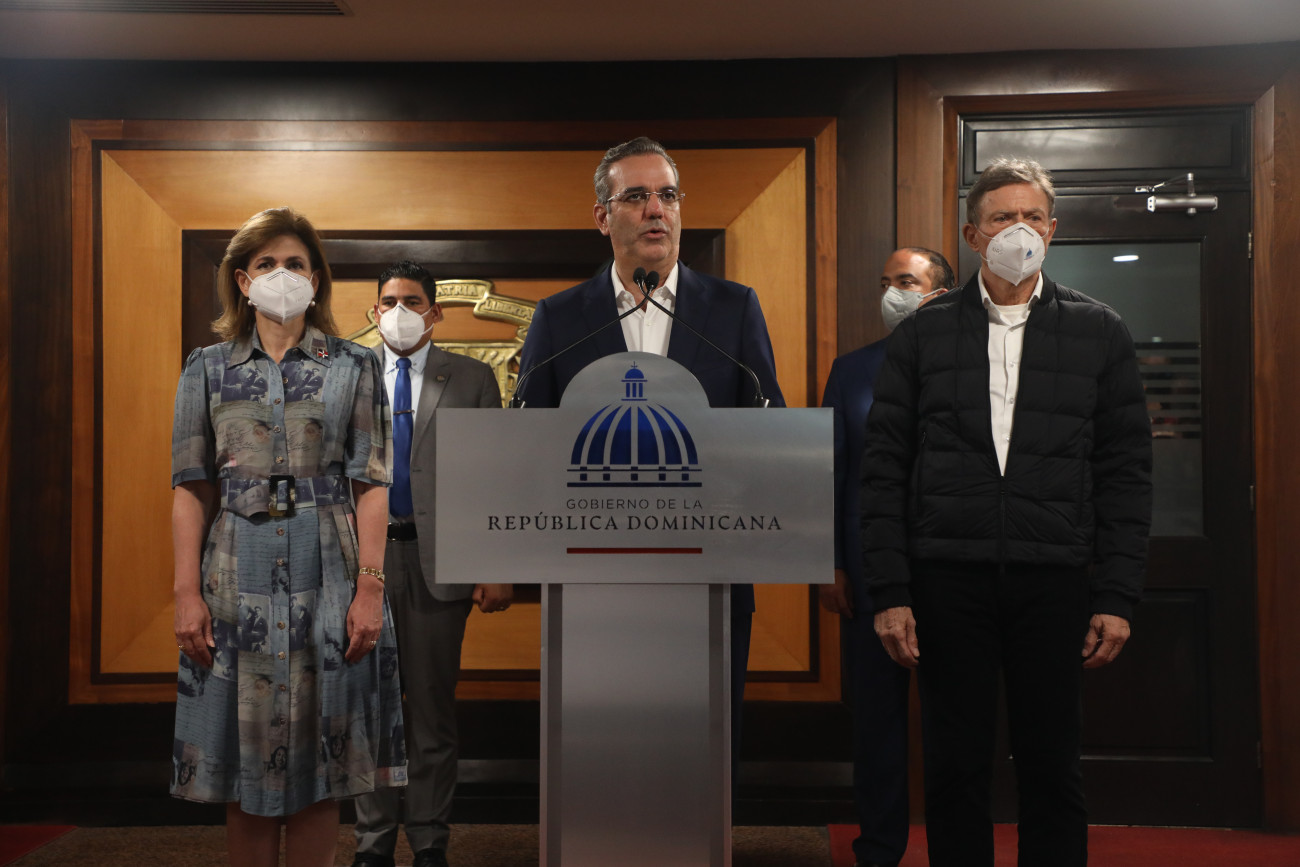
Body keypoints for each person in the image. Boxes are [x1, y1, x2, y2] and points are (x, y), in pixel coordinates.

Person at [861, 157, 1153, 866]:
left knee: (1053, 765)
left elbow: (1125, 472)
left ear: (1051, 229)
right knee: (955, 766)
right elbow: (884, 469)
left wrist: (1116, 593)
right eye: (1001, 217)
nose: (1018, 229)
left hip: (1052, 577)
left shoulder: (1099, 330)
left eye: (1031, 217)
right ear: (972, 233)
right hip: (946, 576)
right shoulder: (923, 334)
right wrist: (891, 591)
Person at [515, 135, 785, 774]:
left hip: (709, 570)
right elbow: (529, 440)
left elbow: (767, 426)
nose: (656, 210)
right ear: (602, 216)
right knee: (604, 752)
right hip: (594, 577)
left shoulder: (733, 307)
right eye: (636, 196)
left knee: (704, 750)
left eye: (667, 195)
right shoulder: (559, 318)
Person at [171, 207, 405, 867]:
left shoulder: (355, 364)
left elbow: (372, 483)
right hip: (234, 576)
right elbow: (190, 486)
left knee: (320, 763)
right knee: (245, 761)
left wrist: (370, 588)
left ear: (316, 278)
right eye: (267, 263)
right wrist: (186, 592)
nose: (283, 274)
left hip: (329, 573)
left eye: (296, 263)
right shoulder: (207, 367)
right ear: (242, 280)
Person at [351, 261, 512, 867]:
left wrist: (495, 565)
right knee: (369, 708)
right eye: (389, 301)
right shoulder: (349, 375)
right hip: (363, 563)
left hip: (439, 560)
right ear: (374, 312)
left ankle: (428, 841)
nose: (400, 311)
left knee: (431, 709)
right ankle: (372, 844)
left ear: (435, 312)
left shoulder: (471, 377)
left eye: (413, 301)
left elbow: (493, 476)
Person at [819, 247, 954, 867]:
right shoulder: (852, 371)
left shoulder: (973, 362)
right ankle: (878, 849)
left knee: (954, 723)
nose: (892, 294)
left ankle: (956, 846)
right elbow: (831, 470)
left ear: (939, 293)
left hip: (953, 567)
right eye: (885, 283)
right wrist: (831, 561)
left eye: (906, 281)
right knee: (876, 723)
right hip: (868, 568)